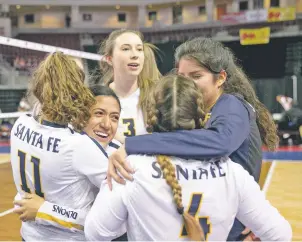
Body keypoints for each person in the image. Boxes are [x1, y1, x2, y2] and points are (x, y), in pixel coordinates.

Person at [107, 38, 279, 241]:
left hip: (228, 228)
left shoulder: (231, 105)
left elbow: (220, 142)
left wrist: (134, 144)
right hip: (208, 220)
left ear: (221, 78)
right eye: (182, 76)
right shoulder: (206, 109)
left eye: (196, 76)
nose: (187, 83)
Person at [10, 53, 122, 241]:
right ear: (77, 92)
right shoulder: (77, 146)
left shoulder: (20, 125)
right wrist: (46, 211)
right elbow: (115, 211)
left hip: (28, 235)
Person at [98, 29, 161, 141]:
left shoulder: (157, 97)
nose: (134, 55)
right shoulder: (97, 99)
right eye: (126, 49)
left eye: (139, 49)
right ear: (109, 59)